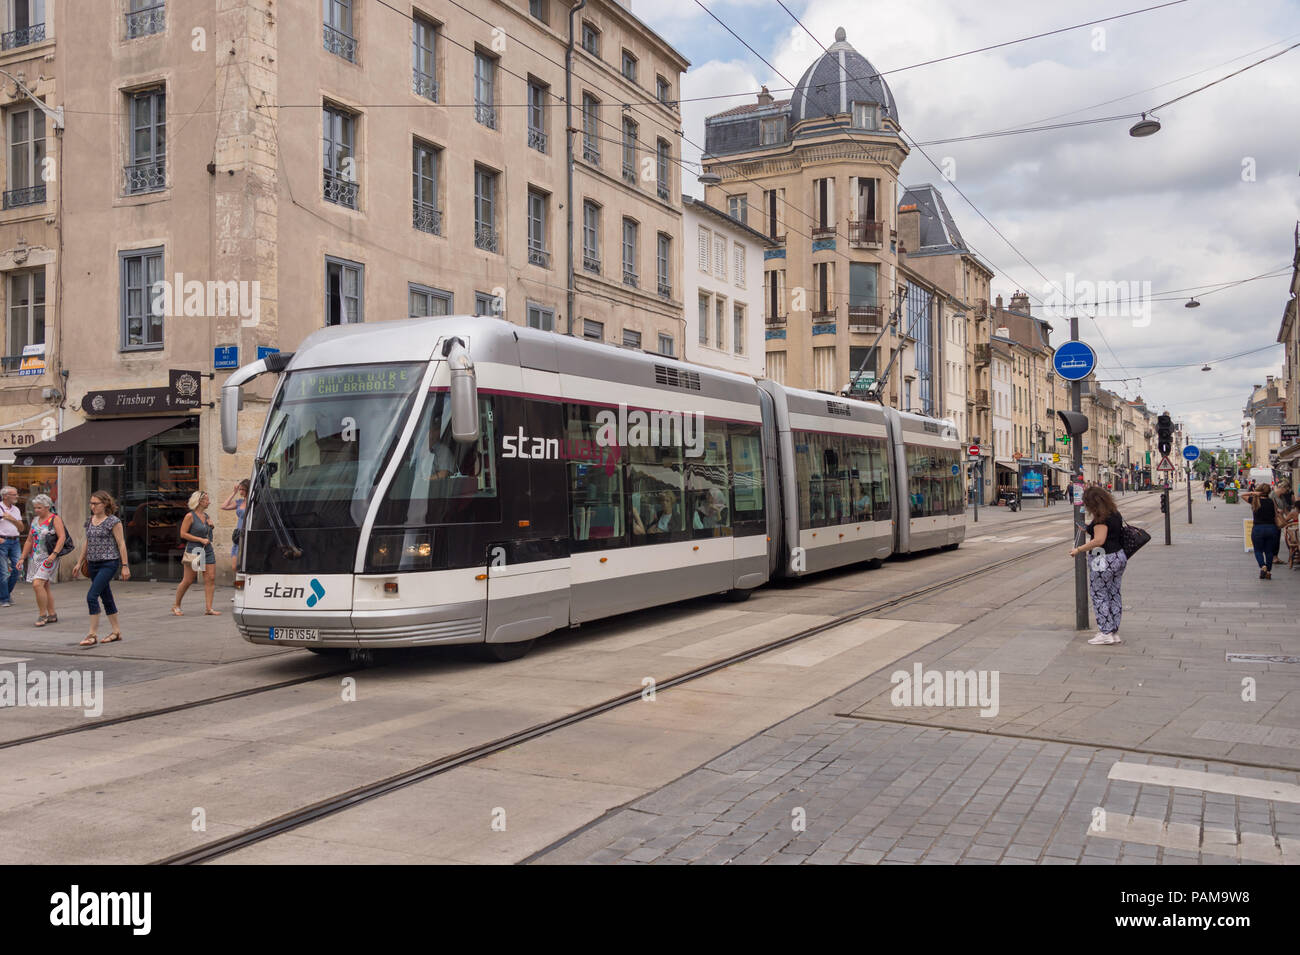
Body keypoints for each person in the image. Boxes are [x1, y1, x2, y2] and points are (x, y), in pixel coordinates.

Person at [1069, 486, 1127, 646]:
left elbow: (1100, 540)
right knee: (1114, 593)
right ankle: (1113, 631)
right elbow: (1108, 535)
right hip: (1118, 556)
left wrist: (1078, 549)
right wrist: (1088, 528)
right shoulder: (1114, 513)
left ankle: (1105, 632)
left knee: (1099, 594)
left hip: (1103, 558)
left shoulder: (1101, 518)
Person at [77, 491, 131, 646]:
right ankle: (116, 631)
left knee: (91, 596)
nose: (92, 506)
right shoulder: (89, 521)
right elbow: (87, 542)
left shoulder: (113, 521)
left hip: (108, 563)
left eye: (96, 503)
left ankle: (92, 634)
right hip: (92, 563)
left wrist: (125, 566)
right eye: (91, 503)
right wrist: (79, 562)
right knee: (106, 596)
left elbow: (121, 544)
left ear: (105, 504)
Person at [20, 494, 65, 627]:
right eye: (35, 508)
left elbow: (62, 537)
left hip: (49, 557)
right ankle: (52, 614)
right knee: (44, 586)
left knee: (37, 584)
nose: (36, 510)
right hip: (35, 557)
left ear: (47, 507)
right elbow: (29, 540)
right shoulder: (34, 520)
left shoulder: (55, 519)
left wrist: (54, 554)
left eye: (39, 508)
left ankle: (42, 614)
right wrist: (22, 557)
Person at [172, 490, 219, 615]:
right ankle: (176, 605)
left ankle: (209, 608)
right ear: (200, 501)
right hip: (195, 550)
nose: (209, 502)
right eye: (207, 500)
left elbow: (208, 534)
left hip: (207, 550)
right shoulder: (190, 516)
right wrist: (199, 539)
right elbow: (183, 534)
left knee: (210, 578)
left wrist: (212, 526)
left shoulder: (207, 516)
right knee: (188, 580)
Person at [1245, 485, 1283, 579]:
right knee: (1269, 551)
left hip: (1258, 529)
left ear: (1259, 491)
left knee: (1258, 550)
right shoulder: (1271, 501)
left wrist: (1252, 493)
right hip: (1271, 529)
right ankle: (1268, 571)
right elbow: (1276, 513)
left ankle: (1263, 566)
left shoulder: (1255, 501)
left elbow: (1242, 496)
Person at [0, 485, 25, 607]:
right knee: (3, 571)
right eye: (14, 494)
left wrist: (11, 519)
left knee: (18, 569)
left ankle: (4, 594)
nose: (17, 496)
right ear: (5, 496)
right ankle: (4, 598)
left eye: (16, 494)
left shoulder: (16, 510)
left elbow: (21, 528)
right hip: (2, 541)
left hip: (15, 541)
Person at [222, 479, 250, 573]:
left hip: (248, 533)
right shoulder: (239, 502)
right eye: (240, 489)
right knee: (234, 566)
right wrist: (233, 492)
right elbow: (224, 506)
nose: (241, 492)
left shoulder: (253, 503)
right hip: (238, 534)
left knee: (246, 565)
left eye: (243, 489)